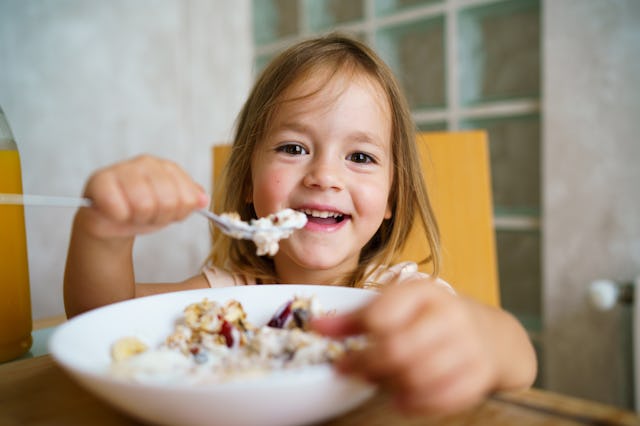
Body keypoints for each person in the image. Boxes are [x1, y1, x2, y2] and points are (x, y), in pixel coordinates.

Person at [64, 33, 536, 414]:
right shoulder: (229, 298)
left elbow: (519, 360)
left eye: (360, 156)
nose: (325, 177)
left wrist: (484, 338)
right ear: (248, 181)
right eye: (293, 148)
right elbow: (103, 321)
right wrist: (104, 235)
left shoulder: (399, 296)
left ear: (393, 197)